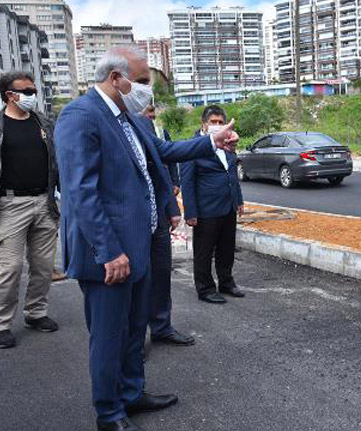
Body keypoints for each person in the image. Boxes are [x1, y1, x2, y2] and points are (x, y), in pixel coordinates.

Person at [54, 46, 238, 431]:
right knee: (109, 336)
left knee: (136, 328)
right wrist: (108, 250)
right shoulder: (79, 117)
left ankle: (132, 393)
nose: (145, 91)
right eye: (140, 82)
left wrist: (211, 141)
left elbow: (163, 153)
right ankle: (109, 413)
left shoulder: (131, 119)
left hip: (140, 242)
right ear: (116, 79)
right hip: (108, 253)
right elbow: (80, 192)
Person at [0, 71, 60, 349]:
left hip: (45, 203)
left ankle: (35, 313)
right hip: (10, 204)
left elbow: (57, 163)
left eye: (34, 91)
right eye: (27, 91)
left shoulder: (44, 122)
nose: (33, 95)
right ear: (10, 94)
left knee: (43, 267)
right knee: (10, 267)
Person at [137, 107, 194, 346]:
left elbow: (164, 171)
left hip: (158, 213)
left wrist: (172, 208)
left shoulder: (154, 130)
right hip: (132, 217)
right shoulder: (116, 128)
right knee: (138, 281)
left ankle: (161, 327)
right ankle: (135, 341)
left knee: (161, 273)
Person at [180, 105, 244, 304]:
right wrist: (190, 211)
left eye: (220, 122)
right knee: (204, 250)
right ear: (204, 124)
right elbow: (187, 181)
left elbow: (231, 174)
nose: (217, 126)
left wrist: (239, 200)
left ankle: (226, 281)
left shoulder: (227, 144)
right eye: (213, 122)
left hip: (227, 207)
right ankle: (205, 288)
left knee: (227, 247)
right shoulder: (194, 146)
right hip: (206, 209)